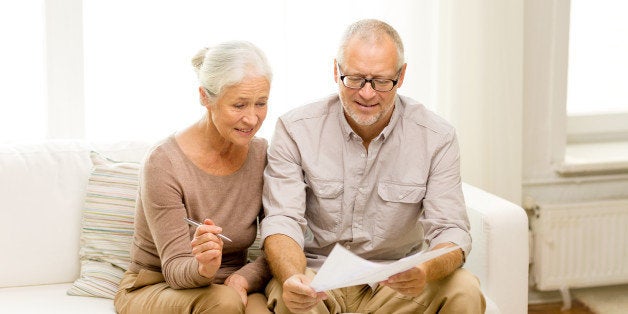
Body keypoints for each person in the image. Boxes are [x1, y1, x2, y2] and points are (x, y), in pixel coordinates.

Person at [261, 19, 486, 313]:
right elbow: (282, 221)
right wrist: (293, 278)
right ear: (335, 71)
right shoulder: (295, 129)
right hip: (319, 278)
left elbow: (451, 231)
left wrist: (424, 270)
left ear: (402, 76)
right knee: (293, 299)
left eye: (381, 81)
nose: (367, 94)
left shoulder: (436, 137)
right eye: (354, 79)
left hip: (396, 282)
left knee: (464, 290)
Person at [114, 41, 273, 314]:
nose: (252, 118)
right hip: (159, 284)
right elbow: (175, 269)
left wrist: (243, 277)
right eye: (238, 105)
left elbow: (279, 241)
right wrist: (204, 266)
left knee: (270, 308)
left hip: (231, 285)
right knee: (224, 304)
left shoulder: (261, 154)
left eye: (261, 103)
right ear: (205, 97)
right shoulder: (163, 163)